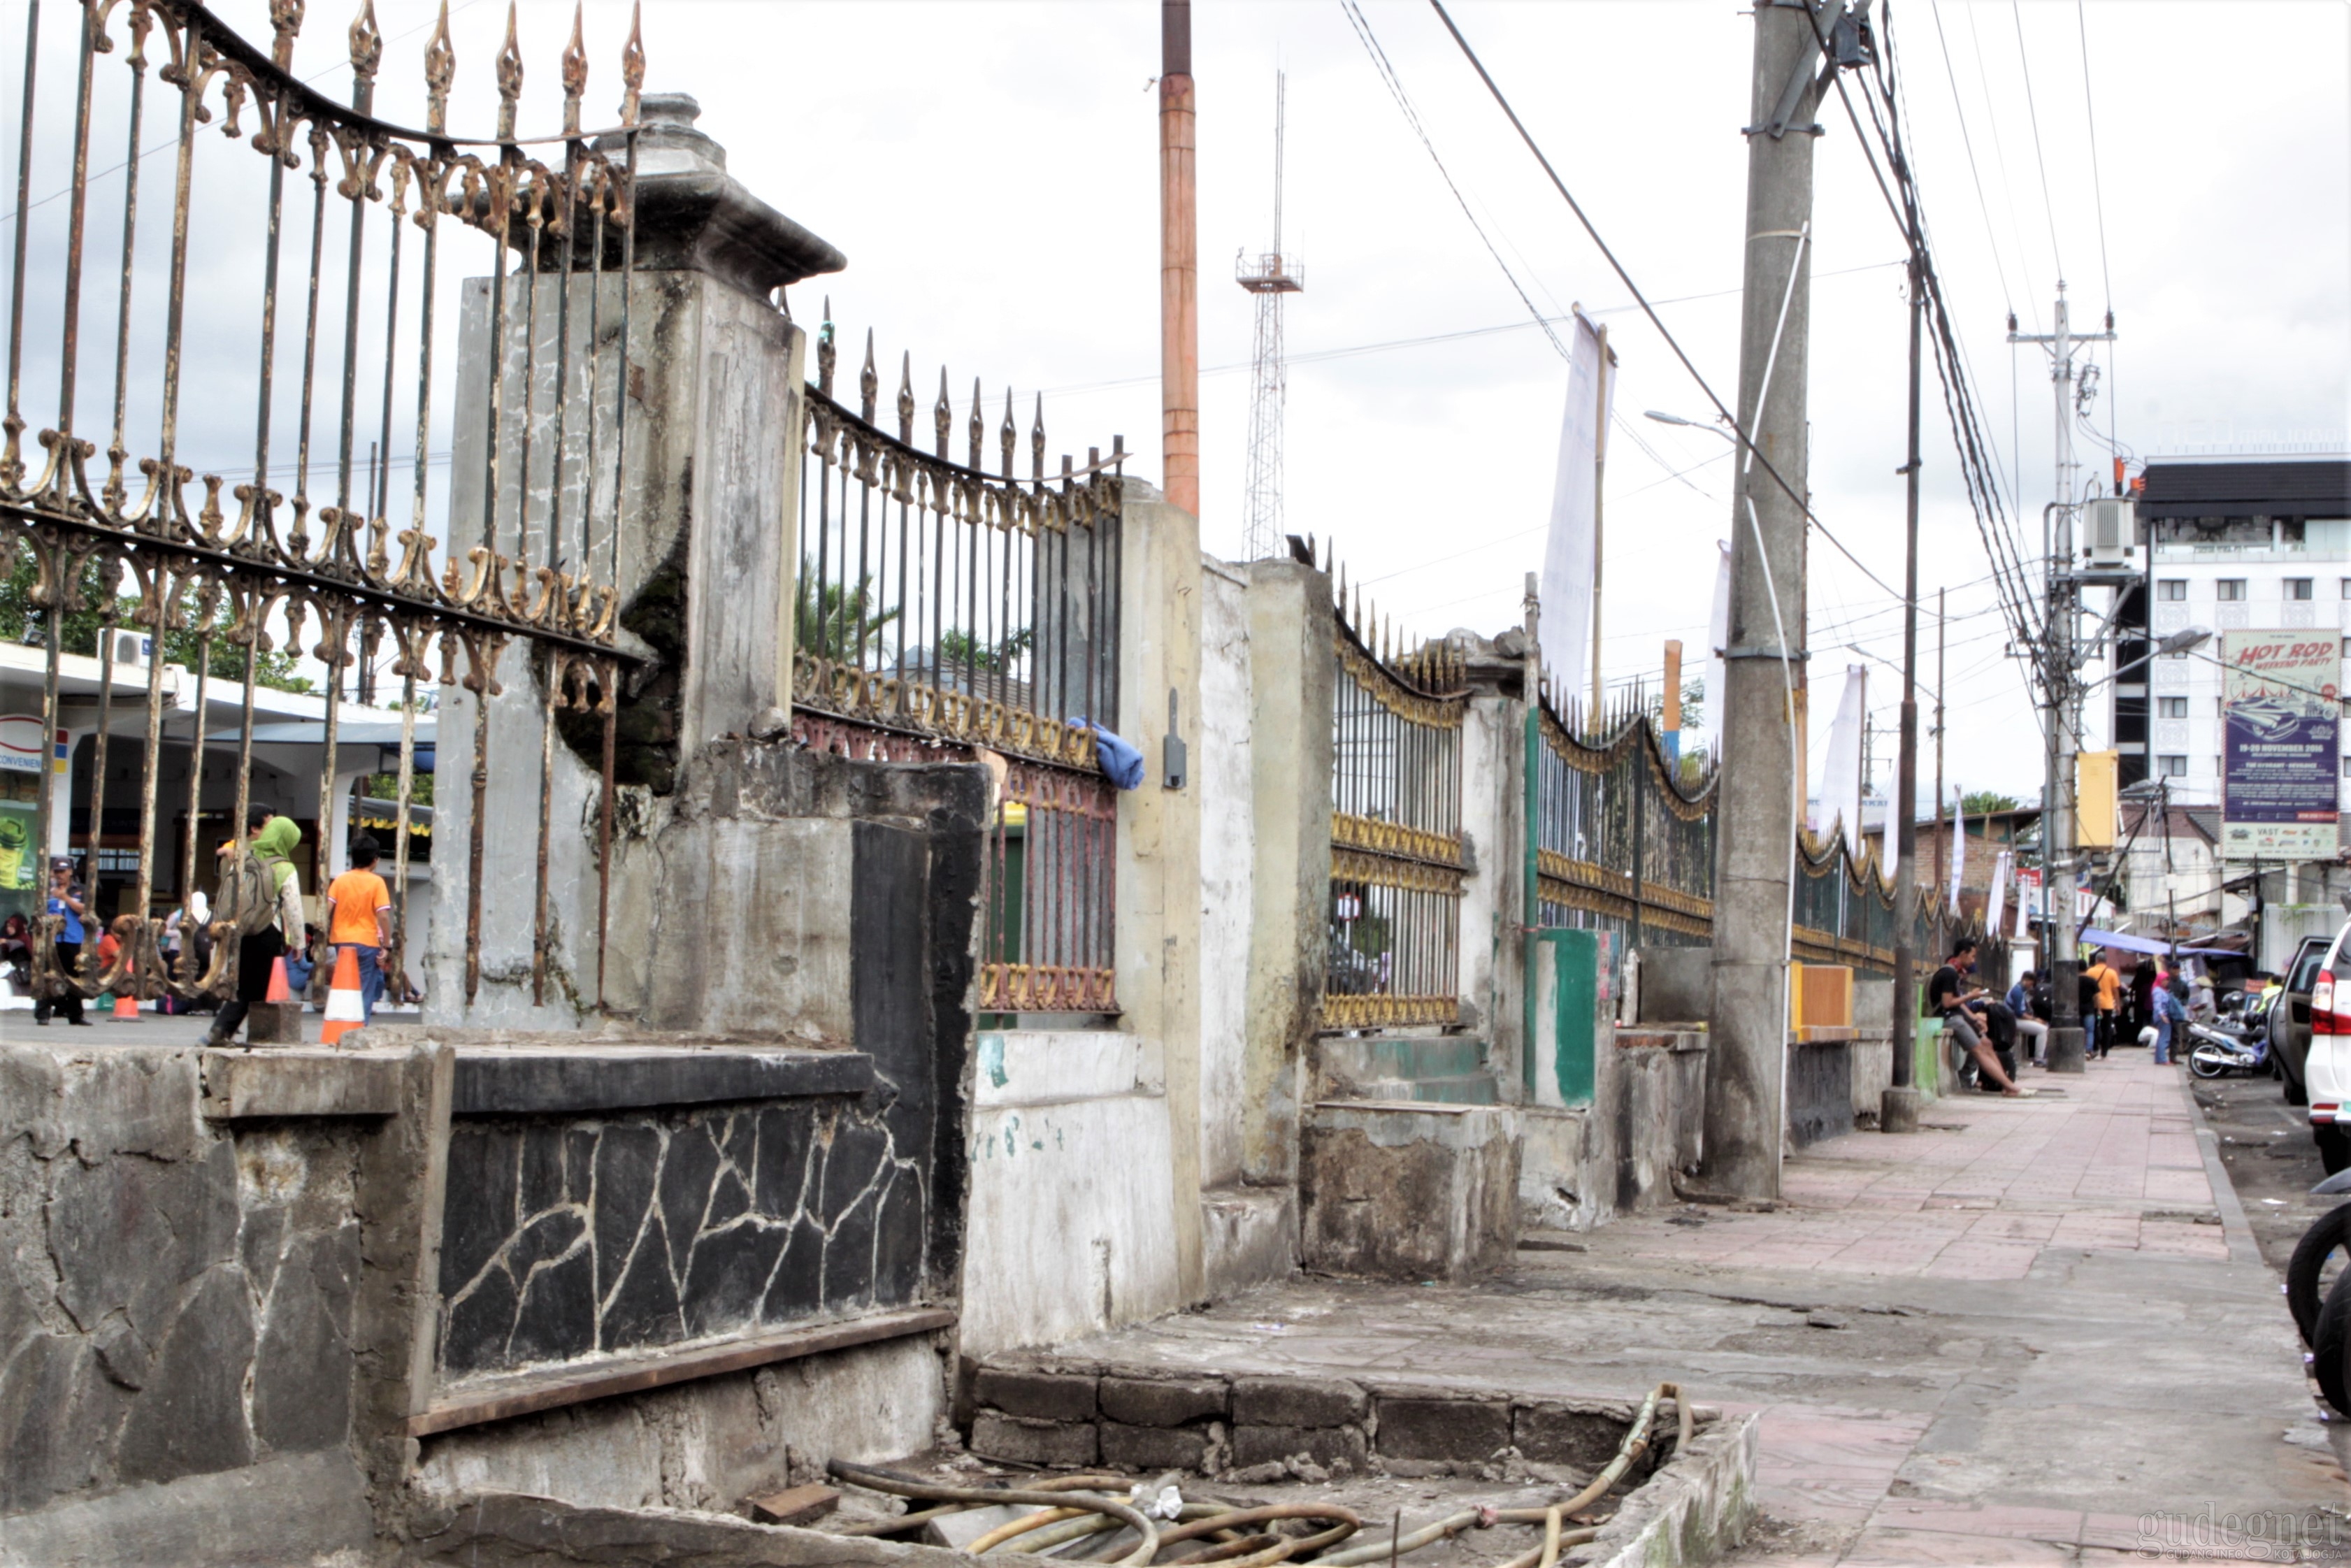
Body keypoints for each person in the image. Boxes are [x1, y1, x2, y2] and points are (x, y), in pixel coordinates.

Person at [203, 810, 305, 1048]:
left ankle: (229, 1030)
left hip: (239, 929)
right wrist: (299, 943)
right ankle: (221, 1030)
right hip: (267, 932)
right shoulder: (285, 868)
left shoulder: (245, 858)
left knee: (243, 982)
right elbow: (294, 908)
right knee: (253, 987)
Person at [1929, 939, 2023, 1095]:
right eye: (1972, 956)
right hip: (1950, 1018)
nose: (1973, 960)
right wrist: (1971, 996)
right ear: (1963, 954)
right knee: (1979, 1049)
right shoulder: (1949, 973)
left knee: (1986, 1043)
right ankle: (2009, 1086)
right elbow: (1948, 1003)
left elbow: (1959, 1004)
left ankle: (2006, 1085)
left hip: (1957, 1016)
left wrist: (1974, 1019)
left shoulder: (1953, 974)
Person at [324, 833, 394, 1023]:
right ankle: (358, 1027)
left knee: (346, 984)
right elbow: (383, 916)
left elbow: (327, 908)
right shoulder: (376, 882)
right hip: (366, 942)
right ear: (375, 860)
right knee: (365, 987)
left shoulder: (340, 880)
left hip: (341, 940)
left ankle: (341, 1025)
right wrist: (386, 945)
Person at [32, 858, 89, 1026]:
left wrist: (65, 897)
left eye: (63, 872)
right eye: (57, 872)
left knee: (73, 976)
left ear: (70, 872)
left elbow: (85, 910)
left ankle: (76, 1015)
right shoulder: (47, 891)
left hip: (73, 938)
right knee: (48, 974)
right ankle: (43, 1014)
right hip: (52, 939)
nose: (60, 875)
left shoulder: (79, 890)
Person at [2006, 969, 2051, 1067]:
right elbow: (2019, 1013)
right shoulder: (2017, 992)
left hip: (2014, 1019)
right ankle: (2039, 1059)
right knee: (2043, 1030)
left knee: (2044, 1026)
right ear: (2026, 980)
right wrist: (2035, 1020)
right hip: (2014, 1020)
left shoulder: (2020, 990)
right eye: (2031, 984)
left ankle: (2040, 1056)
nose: (2031, 987)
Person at [2084, 953, 2122, 1058]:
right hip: (2108, 1005)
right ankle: (2104, 1051)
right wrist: (2118, 1005)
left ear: (2097, 960)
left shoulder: (2090, 971)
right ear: (2106, 961)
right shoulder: (2112, 973)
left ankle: (2095, 1047)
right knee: (2107, 1028)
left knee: (2094, 1027)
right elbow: (2115, 991)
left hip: (2094, 1004)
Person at [2153, 973, 2189, 1066]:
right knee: (2164, 1038)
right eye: (2164, 980)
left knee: (2162, 1037)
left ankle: (2159, 1058)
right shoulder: (2158, 991)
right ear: (2160, 980)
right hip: (2162, 1017)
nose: (2166, 982)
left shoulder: (2163, 990)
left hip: (2165, 1016)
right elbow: (2158, 1005)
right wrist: (2162, 1016)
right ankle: (2162, 1059)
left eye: (2167, 980)